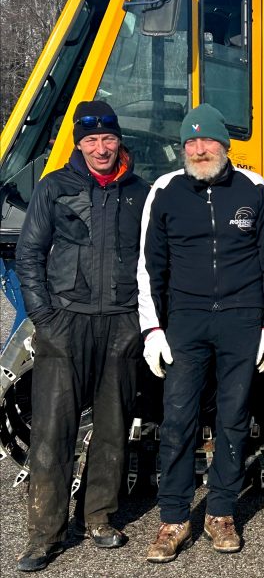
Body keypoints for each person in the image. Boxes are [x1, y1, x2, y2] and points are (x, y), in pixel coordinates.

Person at [14, 101, 150, 572]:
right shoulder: (55, 187)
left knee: (113, 429)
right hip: (65, 322)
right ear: (78, 144)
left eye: (107, 138)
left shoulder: (140, 193)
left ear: (119, 140)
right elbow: (28, 256)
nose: (100, 148)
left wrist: (141, 322)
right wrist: (44, 319)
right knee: (52, 432)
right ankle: (44, 534)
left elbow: (157, 263)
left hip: (120, 323)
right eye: (90, 140)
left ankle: (98, 517)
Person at [138, 103, 264, 563]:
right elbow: (149, 266)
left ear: (225, 144)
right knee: (178, 419)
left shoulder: (253, 189)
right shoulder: (165, 191)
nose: (199, 149)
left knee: (234, 418)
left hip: (240, 319)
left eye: (208, 141)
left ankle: (220, 513)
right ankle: (174, 519)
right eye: (191, 142)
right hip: (186, 320)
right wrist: (153, 328)